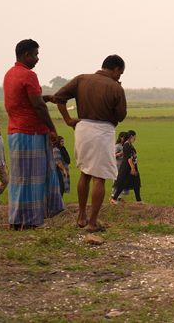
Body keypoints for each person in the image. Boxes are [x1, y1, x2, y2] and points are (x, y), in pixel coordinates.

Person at [53, 54, 128, 233]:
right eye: (121, 73)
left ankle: (81, 218)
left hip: (82, 128)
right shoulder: (115, 88)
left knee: (85, 173)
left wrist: (68, 120)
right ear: (115, 69)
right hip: (102, 132)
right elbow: (121, 116)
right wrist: (118, 91)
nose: (120, 77)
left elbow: (59, 98)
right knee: (99, 177)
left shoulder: (81, 79)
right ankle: (93, 222)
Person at [3, 39, 64, 230]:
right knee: (34, 178)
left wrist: (44, 97)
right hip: (32, 133)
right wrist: (52, 128)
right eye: (36, 54)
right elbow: (37, 106)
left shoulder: (9, 74)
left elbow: (28, 100)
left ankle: (17, 219)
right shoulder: (29, 75)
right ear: (26, 55)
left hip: (15, 133)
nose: (37, 59)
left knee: (20, 178)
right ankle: (30, 221)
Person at [111, 130, 143, 204]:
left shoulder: (130, 145)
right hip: (126, 167)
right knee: (122, 183)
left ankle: (139, 200)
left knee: (136, 183)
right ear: (131, 136)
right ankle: (114, 198)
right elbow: (128, 157)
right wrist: (132, 168)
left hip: (132, 165)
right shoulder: (126, 145)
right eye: (134, 136)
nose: (135, 138)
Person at [111, 132, 131, 202]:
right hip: (117, 165)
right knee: (116, 181)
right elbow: (112, 155)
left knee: (121, 181)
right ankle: (113, 196)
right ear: (121, 138)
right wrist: (120, 154)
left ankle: (119, 197)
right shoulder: (117, 146)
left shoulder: (125, 145)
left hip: (123, 166)